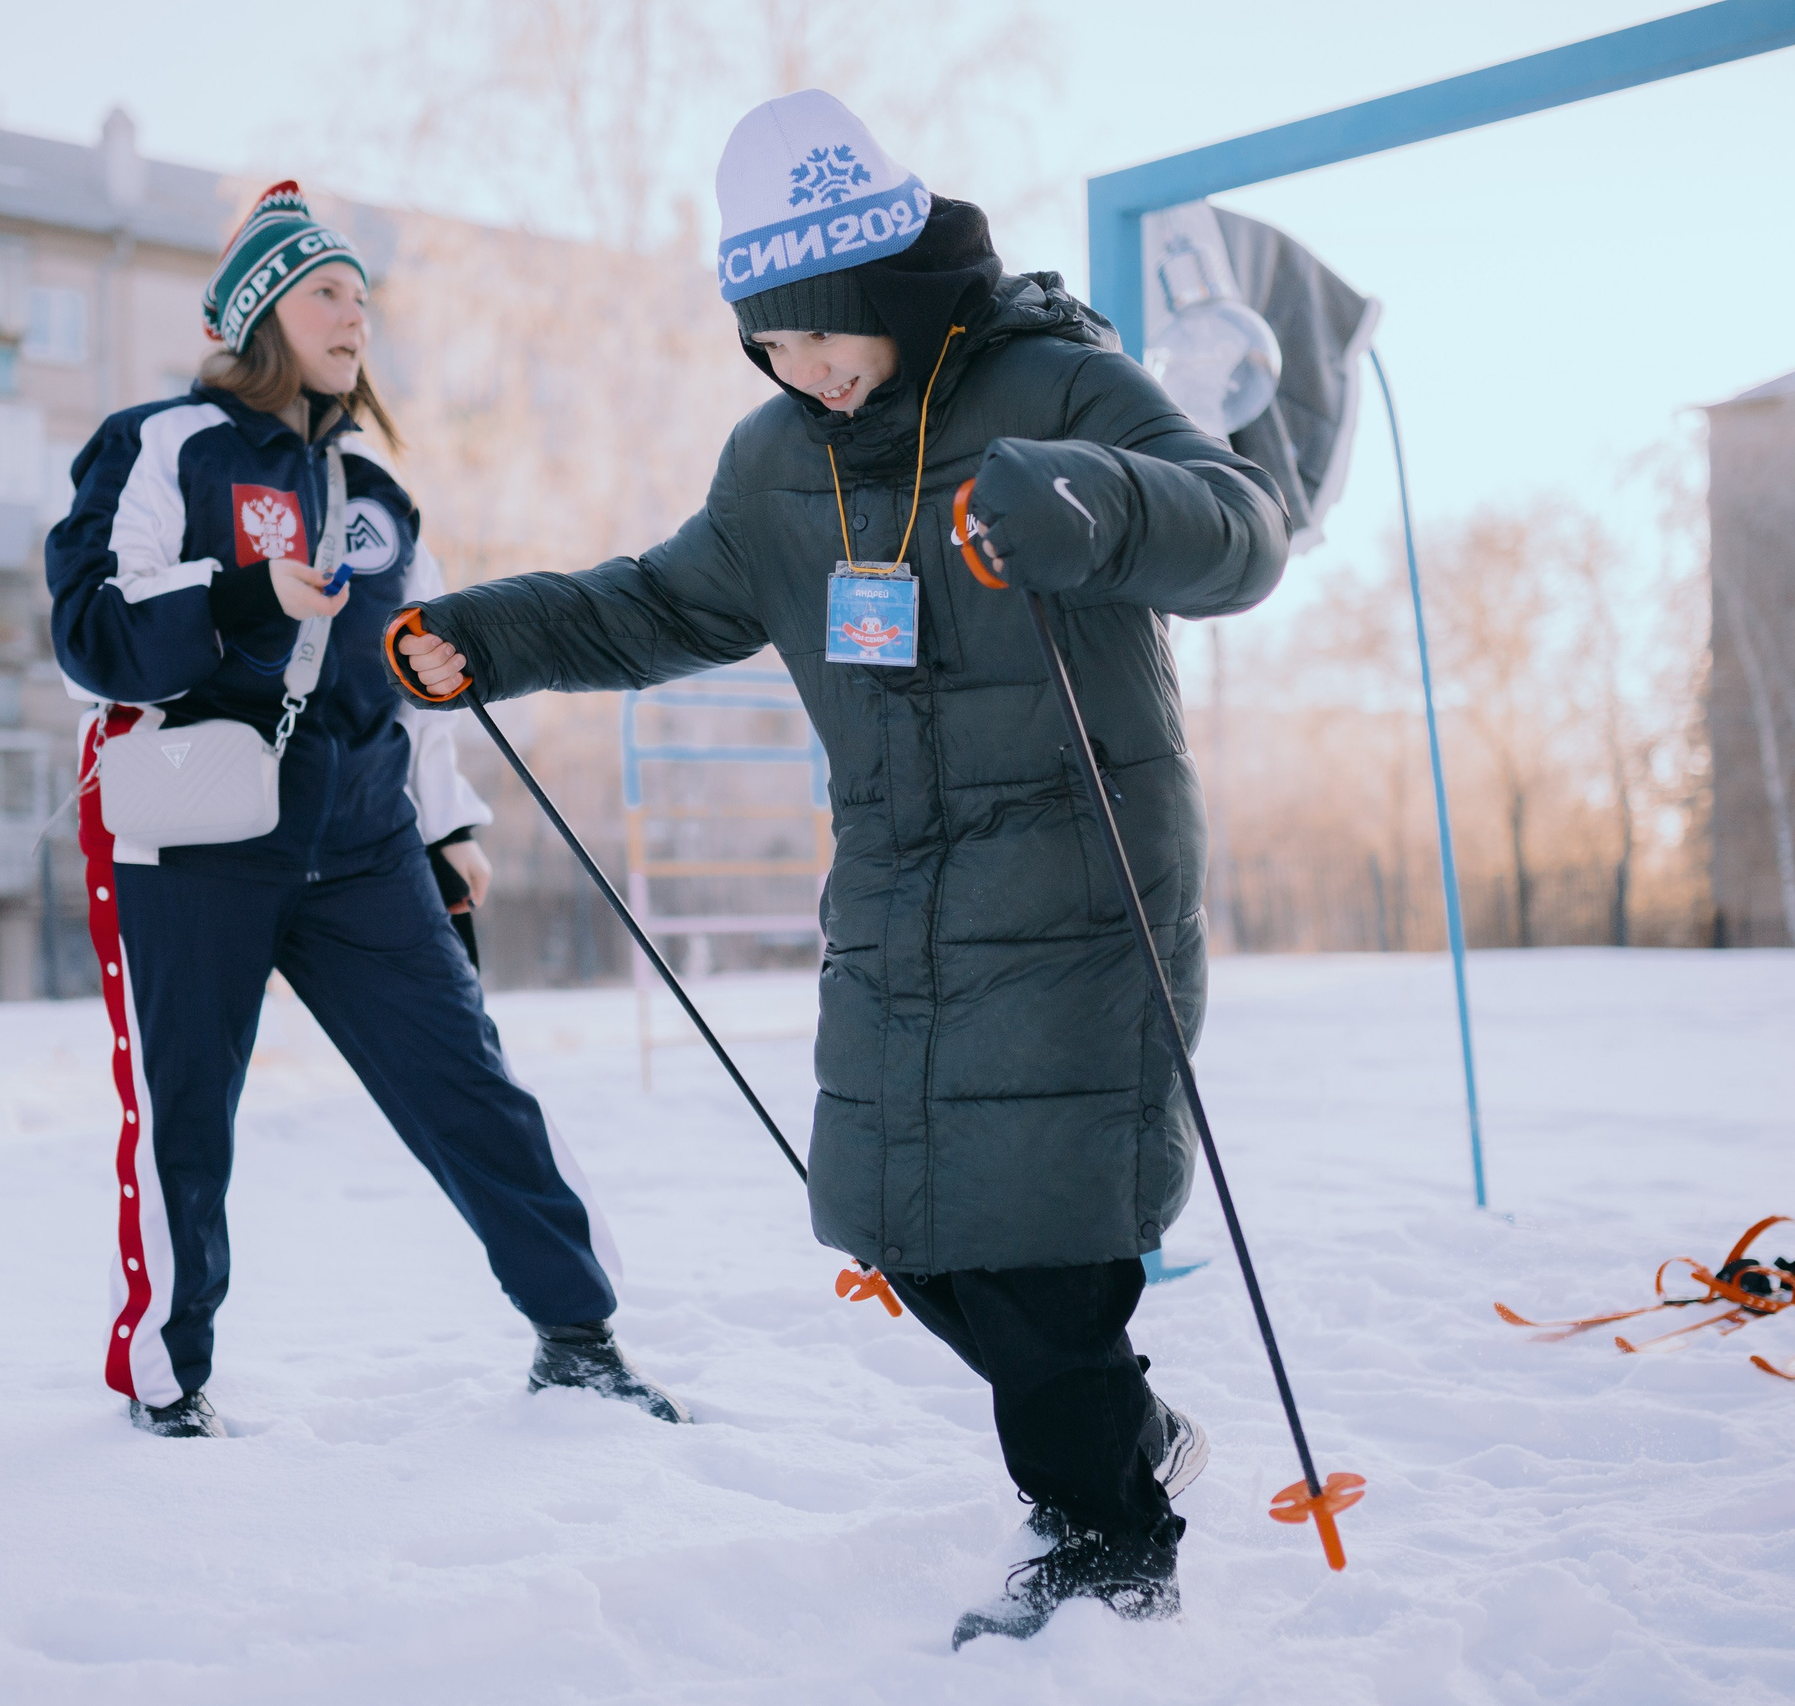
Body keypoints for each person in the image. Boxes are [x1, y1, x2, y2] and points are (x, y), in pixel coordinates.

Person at [387, 96, 1288, 1640]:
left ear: (889, 285)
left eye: (824, 333)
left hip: (1081, 870)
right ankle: (1124, 1442)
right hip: (897, 878)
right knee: (904, 1218)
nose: (804, 367)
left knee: (1050, 1238)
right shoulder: (773, 464)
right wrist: (498, 631)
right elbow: (655, 604)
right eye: (770, 343)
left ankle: (1105, 1536)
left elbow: (1245, 531)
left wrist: (1101, 498)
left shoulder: (1060, 382)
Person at [46, 181, 684, 1440]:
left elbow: (417, 675)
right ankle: (171, 1385)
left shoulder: (378, 488)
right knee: (186, 1116)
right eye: (330, 291)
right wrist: (241, 595)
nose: (357, 317)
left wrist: (449, 826)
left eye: (364, 300)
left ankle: (577, 1332)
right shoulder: (161, 444)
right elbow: (90, 636)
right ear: (259, 312)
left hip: (361, 840)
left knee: (468, 1085)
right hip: (195, 840)